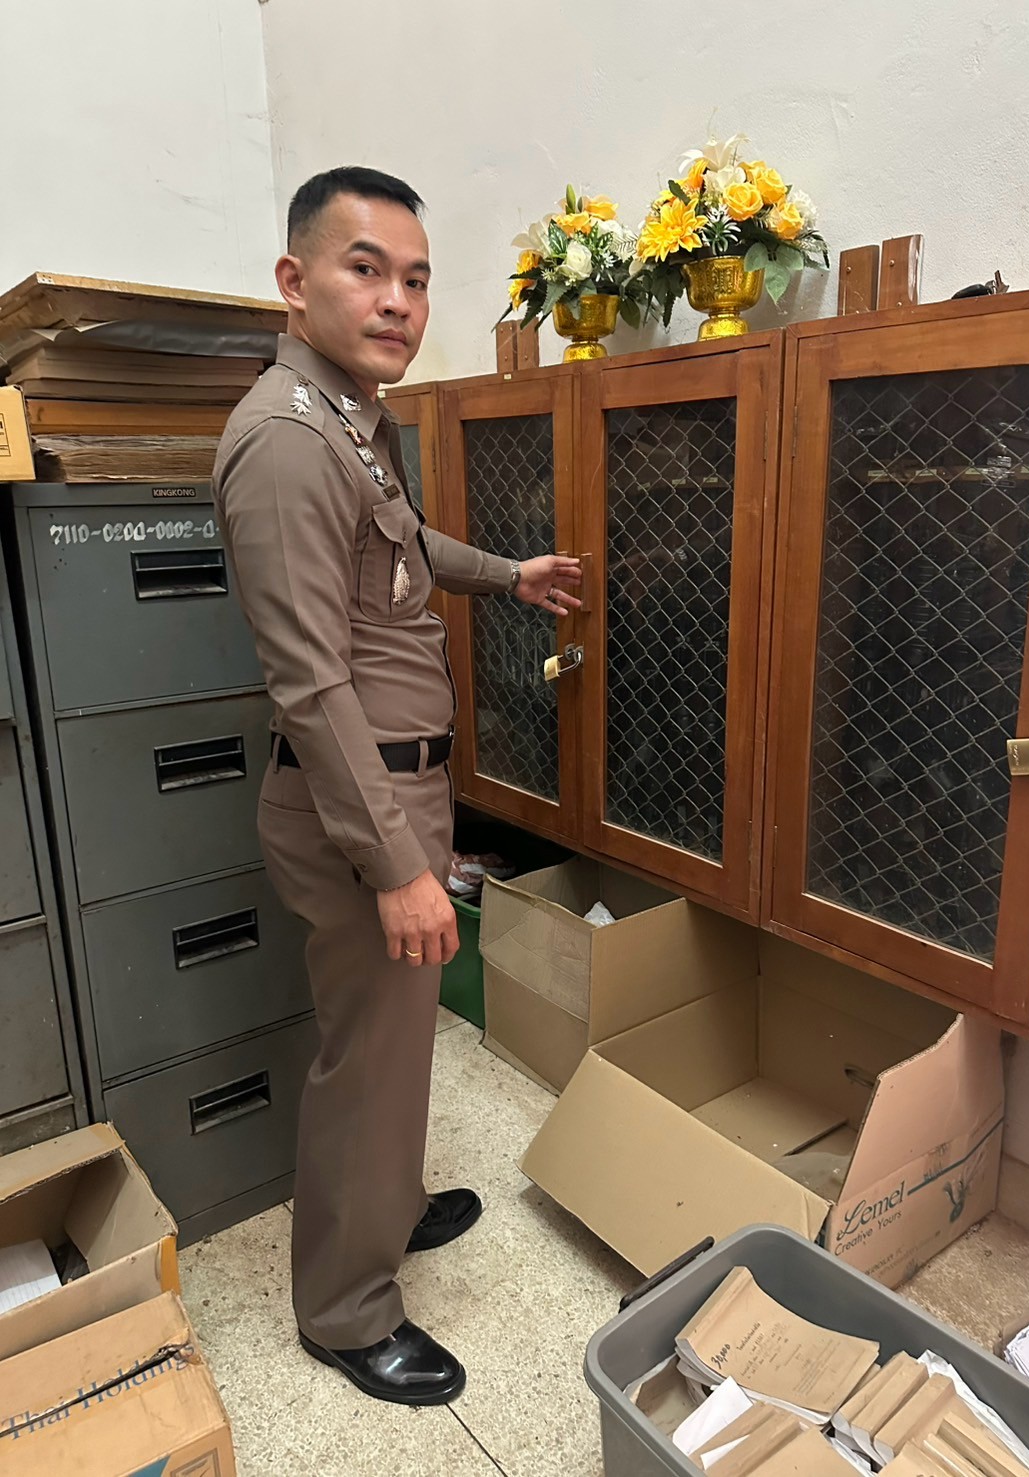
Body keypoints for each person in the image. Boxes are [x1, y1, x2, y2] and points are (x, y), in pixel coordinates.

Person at [212, 166, 581, 1407]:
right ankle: (346, 1309)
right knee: (366, 1063)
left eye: (416, 279)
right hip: (357, 812)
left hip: (394, 796)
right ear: (294, 280)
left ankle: (387, 1202)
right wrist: (401, 864)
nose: (397, 301)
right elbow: (310, 684)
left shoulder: (348, 419)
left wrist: (508, 575)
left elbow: (402, 545)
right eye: (365, 268)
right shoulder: (283, 442)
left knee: (394, 1043)